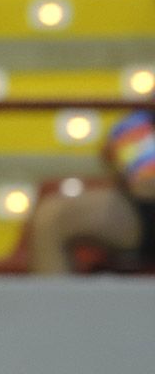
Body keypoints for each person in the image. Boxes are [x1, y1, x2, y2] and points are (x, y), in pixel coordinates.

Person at [27, 109, 155, 273]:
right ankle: (56, 298)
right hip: (145, 215)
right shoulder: (137, 123)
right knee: (52, 217)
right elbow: (145, 185)